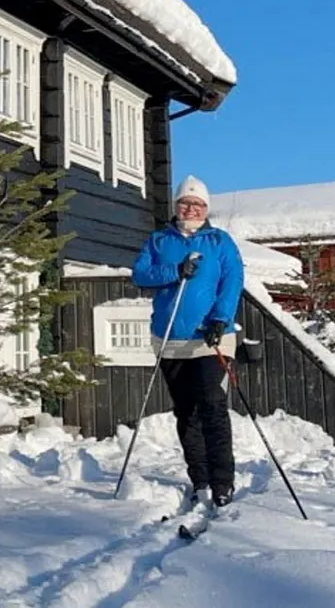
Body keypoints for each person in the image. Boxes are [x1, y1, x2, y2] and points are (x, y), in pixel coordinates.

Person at [131, 174, 244, 508]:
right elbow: (140, 274)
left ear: (206, 209)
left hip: (211, 339)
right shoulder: (159, 240)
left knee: (212, 406)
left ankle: (223, 481)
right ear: (176, 206)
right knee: (186, 412)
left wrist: (220, 320)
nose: (191, 209)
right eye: (185, 203)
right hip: (170, 339)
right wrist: (175, 272)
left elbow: (232, 281)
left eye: (197, 204)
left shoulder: (219, 242)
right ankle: (201, 479)